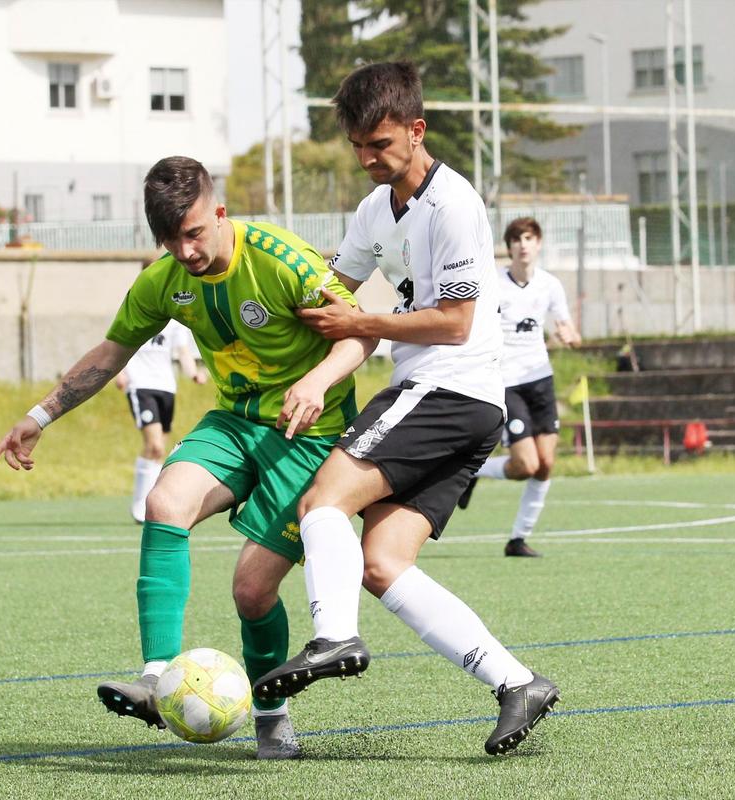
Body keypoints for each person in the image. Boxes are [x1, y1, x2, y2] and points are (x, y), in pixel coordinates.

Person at [0, 156, 375, 760]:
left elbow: (360, 333)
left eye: (193, 233)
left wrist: (318, 381)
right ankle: (155, 674)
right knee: (162, 502)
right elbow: (112, 352)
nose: (185, 251)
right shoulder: (165, 278)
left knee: (251, 592)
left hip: (311, 432)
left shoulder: (281, 259)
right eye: (170, 240)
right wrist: (39, 417)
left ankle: (272, 718)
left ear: (219, 213)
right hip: (236, 422)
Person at [252, 62, 559, 757]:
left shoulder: (455, 205)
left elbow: (452, 321)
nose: (367, 158)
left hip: (446, 387)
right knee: (383, 562)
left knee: (322, 503)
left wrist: (365, 325)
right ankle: (517, 682)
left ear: (417, 131)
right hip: (459, 402)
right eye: (358, 145)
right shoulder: (372, 208)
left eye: (380, 144)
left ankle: (334, 636)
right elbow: (333, 288)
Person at [456, 216, 581, 559]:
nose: (523, 244)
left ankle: (518, 539)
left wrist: (569, 335)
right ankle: (473, 470)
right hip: (506, 381)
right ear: (509, 247)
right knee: (524, 465)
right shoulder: (493, 283)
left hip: (540, 380)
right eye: (517, 239)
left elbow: (565, 325)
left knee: (545, 465)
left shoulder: (550, 285)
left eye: (529, 238)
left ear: (538, 244)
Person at [115, 317, 206, 523]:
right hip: (140, 384)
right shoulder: (138, 312)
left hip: (166, 387)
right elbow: (120, 343)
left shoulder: (176, 321)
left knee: (160, 452)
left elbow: (183, 352)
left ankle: (151, 503)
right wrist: (119, 372)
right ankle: (140, 504)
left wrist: (193, 374)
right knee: (154, 446)